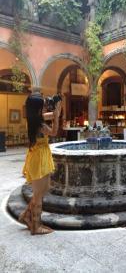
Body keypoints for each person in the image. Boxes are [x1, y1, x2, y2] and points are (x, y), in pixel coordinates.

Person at [19, 92, 61, 235]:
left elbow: (49, 115)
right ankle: (36, 226)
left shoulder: (33, 119)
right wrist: (57, 116)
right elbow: (54, 132)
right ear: (37, 109)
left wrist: (55, 111)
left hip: (39, 156)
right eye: (42, 106)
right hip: (39, 159)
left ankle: (26, 215)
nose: (44, 108)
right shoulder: (40, 125)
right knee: (38, 196)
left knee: (42, 191)